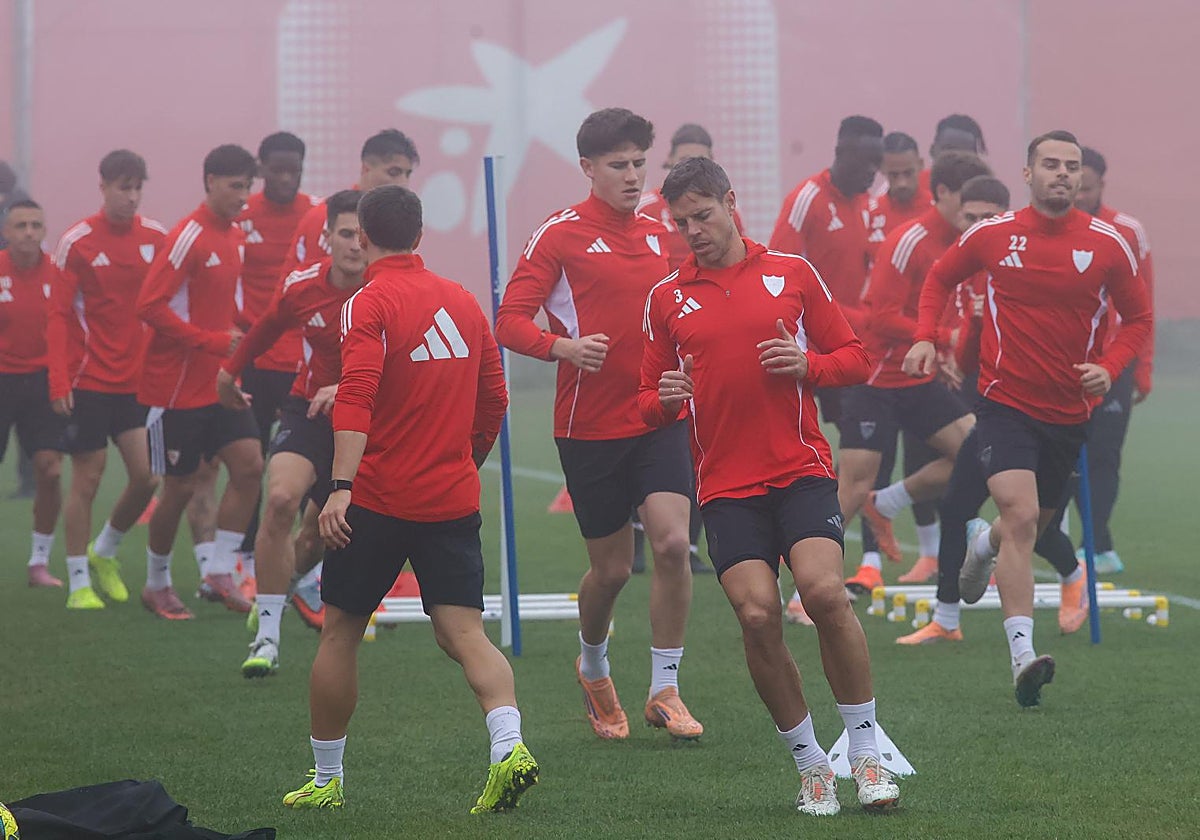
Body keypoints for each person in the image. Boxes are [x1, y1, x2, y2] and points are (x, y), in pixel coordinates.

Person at [640, 157, 899, 815]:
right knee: (756, 613)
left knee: (824, 594)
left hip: (801, 470)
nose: (693, 230)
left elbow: (855, 359)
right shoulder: (667, 297)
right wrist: (666, 397)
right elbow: (647, 400)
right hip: (726, 485)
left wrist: (807, 363)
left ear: (730, 202)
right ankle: (812, 764)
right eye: (682, 222)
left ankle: (866, 756)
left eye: (703, 215)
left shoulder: (792, 273)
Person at [286, 185, 538, 813]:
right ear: (421, 235)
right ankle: (509, 748)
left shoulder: (368, 301)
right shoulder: (463, 301)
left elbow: (357, 395)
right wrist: (463, 463)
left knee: (340, 632)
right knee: (465, 634)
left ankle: (326, 780)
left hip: (375, 499)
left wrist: (340, 486)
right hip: (451, 500)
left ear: (363, 237)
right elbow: (495, 401)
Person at [903, 130, 1151, 706]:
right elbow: (940, 278)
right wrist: (925, 337)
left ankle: (982, 547)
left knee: (1027, 528)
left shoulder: (1109, 244)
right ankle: (1022, 658)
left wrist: (1109, 367)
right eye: (1051, 164)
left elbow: (1138, 319)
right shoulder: (994, 235)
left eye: (1071, 165)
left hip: (1069, 413)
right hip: (1004, 404)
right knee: (1017, 514)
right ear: (1028, 173)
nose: (1062, 173)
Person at [496, 108, 702, 742]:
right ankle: (592, 667)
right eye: (619, 165)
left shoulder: (666, 234)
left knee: (671, 545)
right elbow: (509, 320)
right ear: (588, 169)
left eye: (641, 163)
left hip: (661, 414)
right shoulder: (558, 235)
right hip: (588, 425)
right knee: (611, 570)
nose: (634, 175)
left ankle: (665, 688)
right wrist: (564, 348)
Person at [896, 175, 1094, 643]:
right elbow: (967, 360)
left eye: (989, 217)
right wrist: (947, 343)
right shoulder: (966, 272)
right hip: (994, 411)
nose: (980, 225)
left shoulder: (1026, 271)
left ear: (1004, 219)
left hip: (1048, 412)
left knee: (1032, 526)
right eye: (971, 217)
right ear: (960, 219)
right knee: (959, 506)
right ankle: (947, 619)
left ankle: (1073, 575)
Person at [217, 190, 365, 676]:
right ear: (326, 238)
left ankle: (282, 593)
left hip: (367, 420)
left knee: (318, 536)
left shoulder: (389, 290)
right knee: (280, 498)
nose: (355, 243)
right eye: (345, 233)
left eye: (364, 234)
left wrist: (344, 386)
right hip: (308, 411)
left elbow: (404, 362)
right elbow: (266, 326)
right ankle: (267, 639)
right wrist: (229, 371)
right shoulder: (305, 285)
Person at [839, 152, 991, 594]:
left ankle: (885, 504)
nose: (978, 215)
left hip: (919, 378)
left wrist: (945, 348)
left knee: (980, 454)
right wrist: (940, 339)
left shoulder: (967, 244)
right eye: (970, 203)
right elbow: (882, 318)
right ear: (942, 194)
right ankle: (803, 593)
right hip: (877, 379)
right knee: (852, 486)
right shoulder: (910, 240)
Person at [135, 144, 265, 619]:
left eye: (249, 187)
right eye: (236, 186)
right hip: (173, 389)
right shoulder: (188, 235)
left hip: (218, 382)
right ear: (209, 181)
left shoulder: (233, 236)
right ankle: (157, 583)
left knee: (250, 465)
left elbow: (223, 306)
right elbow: (149, 306)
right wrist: (210, 340)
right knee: (179, 489)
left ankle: (218, 570)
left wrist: (256, 328)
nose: (244, 196)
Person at [769, 115, 883, 623]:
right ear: (841, 151)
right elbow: (779, 271)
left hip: (857, 352)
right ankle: (803, 580)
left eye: (878, 161)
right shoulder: (808, 200)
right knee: (836, 467)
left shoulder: (869, 202)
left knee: (857, 466)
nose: (873, 171)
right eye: (866, 160)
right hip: (817, 355)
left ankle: (854, 563)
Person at [47, 150, 165, 609]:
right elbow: (57, 316)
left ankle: (105, 550)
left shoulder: (157, 238)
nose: (130, 197)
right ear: (103, 187)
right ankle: (78, 580)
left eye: (137, 187)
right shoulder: (77, 242)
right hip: (89, 380)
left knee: (148, 477)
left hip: (138, 384)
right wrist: (59, 381)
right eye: (122, 187)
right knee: (87, 480)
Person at [232, 132, 321, 596]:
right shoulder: (242, 219)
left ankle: (300, 558)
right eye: (278, 170)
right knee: (250, 461)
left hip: (304, 361)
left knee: (302, 464)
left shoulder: (318, 214)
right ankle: (245, 557)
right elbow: (224, 280)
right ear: (262, 169)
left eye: (295, 170)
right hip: (257, 357)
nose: (287, 178)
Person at [1068, 146, 1155, 574]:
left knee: (1105, 455)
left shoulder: (1128, 230)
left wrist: (1144, 366)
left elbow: (1144, 305)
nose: (1079, 194)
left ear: (1101, 183)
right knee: (1065, 453)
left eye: (1086, 186)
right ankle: (1076, 543)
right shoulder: (1056, 229)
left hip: (1115, 362)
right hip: (1066, 362)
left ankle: (1096, 541)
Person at [865, 131, 940, 585]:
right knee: (870, 463)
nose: (900, 182)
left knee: (948, 452)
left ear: (921, 164)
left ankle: (942, 553)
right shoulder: (873, 214)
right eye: (891, 174)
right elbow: (870, 295)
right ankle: (868, 564)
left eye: (908, 172)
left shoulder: (939, 209)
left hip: (935, 354)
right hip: (881, 358)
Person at [0, 199, 67, 591]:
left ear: (44, 231)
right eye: (20, 225)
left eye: (35, 225)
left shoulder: (58, 274)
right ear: (6, 232)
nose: (28, 232)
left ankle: (39, 562)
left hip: (42, 381)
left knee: (51, 469)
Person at [282, 129, 418, 278]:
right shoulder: (326, 217)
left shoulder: (396, 221)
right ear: (366, 168)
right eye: (394, 173)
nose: (403, 183)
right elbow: (312, 289)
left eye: (408, 174)